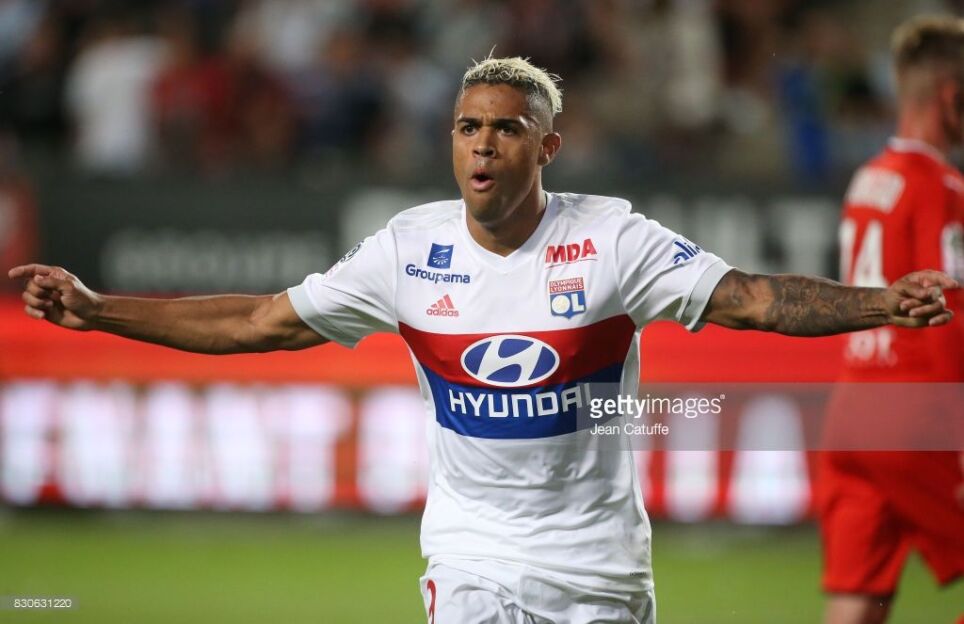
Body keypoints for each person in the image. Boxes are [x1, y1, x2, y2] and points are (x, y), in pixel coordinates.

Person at [8, 56, 958, 624]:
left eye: (507, 129)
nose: (483, 144)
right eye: (468, 127)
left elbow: (753, 299)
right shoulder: (406, 250)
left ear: (547, 147)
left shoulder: (612, 241)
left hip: (597, 568)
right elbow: (262, 321)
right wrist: (98, 309)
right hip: (471, 558)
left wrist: (882, 303)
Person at [819, 16, 964, 624]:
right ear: (952, 98)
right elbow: (946, 312)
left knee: (857, 599)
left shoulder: (869, 177)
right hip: (917, 414)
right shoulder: (942, 186)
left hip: (853, 410)